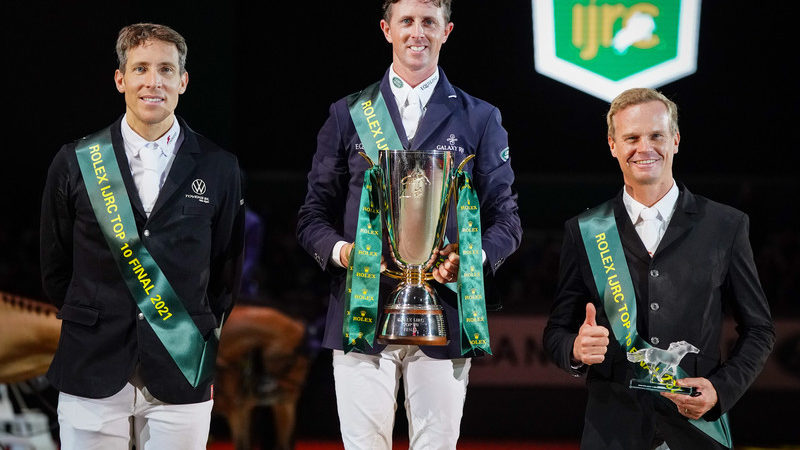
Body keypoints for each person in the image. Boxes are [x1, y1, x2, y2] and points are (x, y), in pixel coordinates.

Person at [297, 0, 521, 447]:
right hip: (362, 313)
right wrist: (347, 253)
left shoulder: (480, 117)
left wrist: (470, 259)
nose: (417, 32)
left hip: (446, 312)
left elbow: (508, 219)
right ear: (386, 29)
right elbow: (312, 216)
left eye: (428, 22)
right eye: (407, 21)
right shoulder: (347, 113)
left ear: (446, 30)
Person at [39, 23, 244, 449]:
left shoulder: (219, 166)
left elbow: (226, 269)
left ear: (183, 81)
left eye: (167, 70)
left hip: (181, 364)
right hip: (90, 364)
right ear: (120, 79)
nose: (154, 81)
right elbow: (55, 267)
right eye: (141, 69)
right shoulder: (75, 160)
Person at [543, 88, 775, 449]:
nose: (644, 147)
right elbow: (556, 331)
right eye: (631, 138)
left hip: (698, 429)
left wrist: (721, 390)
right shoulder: (585, 229)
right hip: (612, 431)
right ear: (613, 145)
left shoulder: (725, 225)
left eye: (656, 135)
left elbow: (759, 329)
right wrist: (575, 348)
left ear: (676, 140)